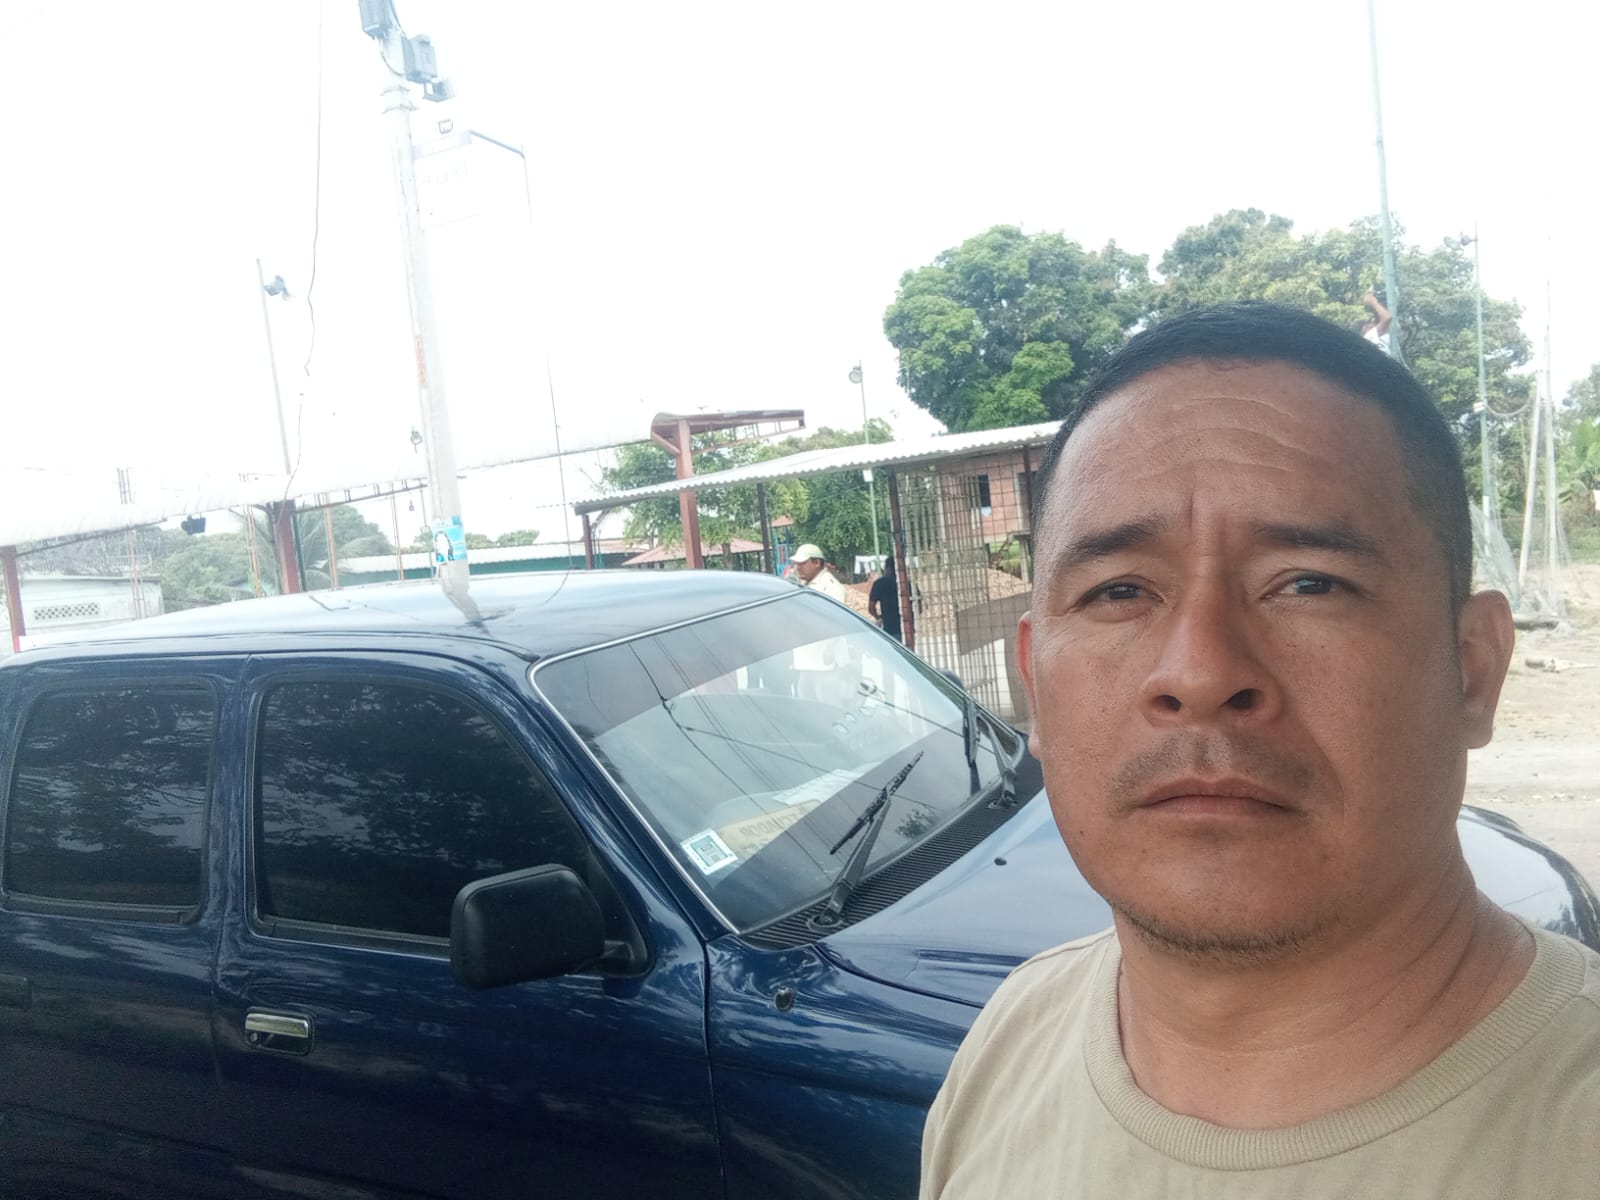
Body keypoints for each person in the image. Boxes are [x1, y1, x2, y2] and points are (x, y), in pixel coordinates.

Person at [920, 302, 1600, 1198]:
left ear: (1473, 670)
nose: (1200, 672)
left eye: (1310, 584)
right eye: (1119, 591)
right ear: (1034, 686)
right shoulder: (1009, 1044)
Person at [868, 555, 902, 642]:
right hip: (906, 628)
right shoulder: (906, 583)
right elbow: (919, 603)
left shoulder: (880, 583)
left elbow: (871, 607)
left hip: (889, 629)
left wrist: (878, 618)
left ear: (888, 568)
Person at [1361, 288, 1392, 354]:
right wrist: (1372, 302)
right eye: (1370, 322)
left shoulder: (1380, 338)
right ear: (1366, 327)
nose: (1373, 322)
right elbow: (1387, 318)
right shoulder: (1369, 336)